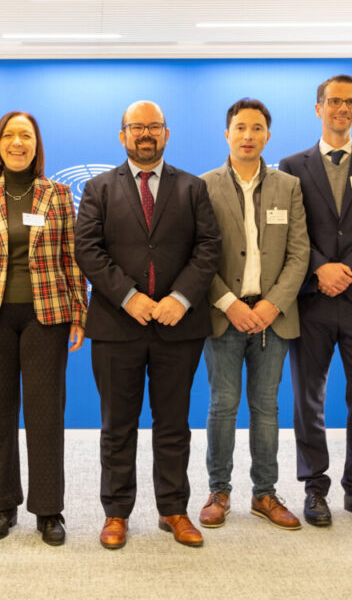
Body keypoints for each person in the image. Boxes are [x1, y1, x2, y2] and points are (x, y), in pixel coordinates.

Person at [74, 100, 221, 549]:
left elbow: (208, 247)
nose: (145, 134)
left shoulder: (193, 188)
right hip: (117, 326)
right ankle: (116, 514)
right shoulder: (98, 188)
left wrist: (179, 298)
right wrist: (128, 296)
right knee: (117, 425)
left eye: (153, 127)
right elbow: (88, 249)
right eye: (136, 127)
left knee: (173, 424)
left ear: (166, 134)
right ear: (122, 136)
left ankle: (173, 510)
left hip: (179, 325)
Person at [0, 111, 87, 546]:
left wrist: (79, 314)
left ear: (36, 144)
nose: (17, 142)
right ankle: (2, 505)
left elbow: (72, 259)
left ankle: (49, 510)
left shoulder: (59, 194)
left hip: (46, 314)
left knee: (46, 415)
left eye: (25, 135)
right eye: (9, 135)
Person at [278, 76, 352, 528]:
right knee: (309, 397)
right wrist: (321, 267)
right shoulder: (291, 165)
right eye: (333, 101)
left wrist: (347, 271)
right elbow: (288, 228)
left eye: (350, 102)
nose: (341, 109)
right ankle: (315, 487)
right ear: (318, 108)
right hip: (311, 300)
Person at [196, 98, 309, 531]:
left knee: (266, 407)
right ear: (227, 134)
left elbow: (300, 254)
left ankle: (265, 493)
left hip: (272, 317)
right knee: (222, 406)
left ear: (267, 135)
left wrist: (270, 304)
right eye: (240, 127)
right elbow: (198, 256)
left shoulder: (289, 186)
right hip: (224, 316)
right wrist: (228, 303)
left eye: (257, 128)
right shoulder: (202, 186)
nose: (248, 135)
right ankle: (218, 491)